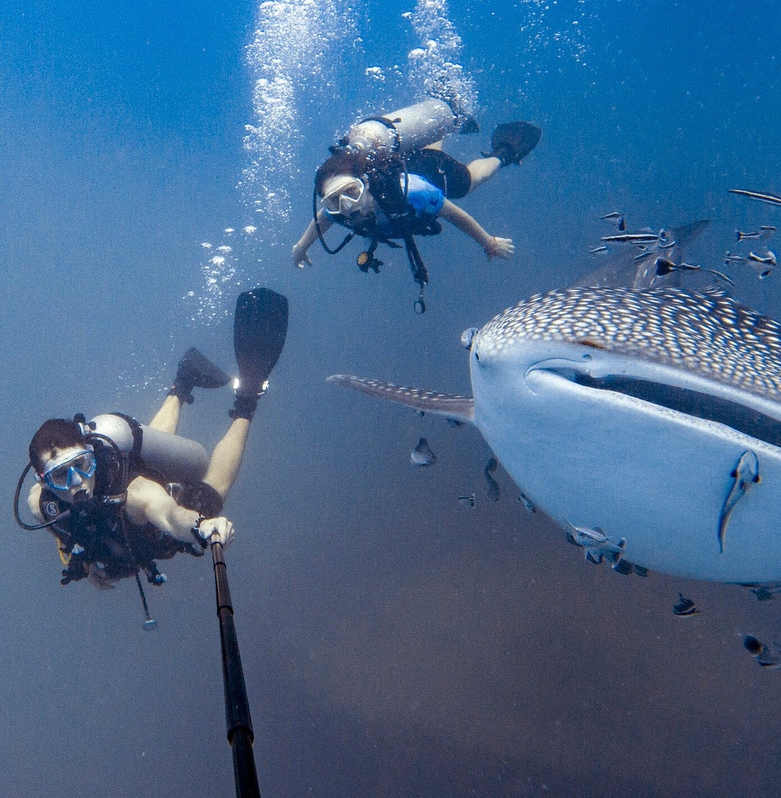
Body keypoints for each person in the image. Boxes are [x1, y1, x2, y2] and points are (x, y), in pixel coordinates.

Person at [18, 288, 289, 591]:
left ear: (91, 456)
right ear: (44, 482)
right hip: (134, 482)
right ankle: (184, 381)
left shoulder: (133, 493)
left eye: (81, 465)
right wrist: (83, 559)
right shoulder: (40, 506)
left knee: (210, 496)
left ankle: (246, 401)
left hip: (141, 480)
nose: (76, 482)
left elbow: (168, 515)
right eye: (59, 475)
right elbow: (64, 533)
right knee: (155, 446)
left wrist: (202, 527)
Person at [290, 120, 541, 271]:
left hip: (429, 172)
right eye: (334, 200)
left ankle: (503, 154)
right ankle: (439, 121)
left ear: (365, 183)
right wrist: (301, 246)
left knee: (470, 182)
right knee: (426, 148)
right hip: (406, 162)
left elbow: (452, 214)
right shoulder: (339, 210)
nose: (346, 205)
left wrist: (489, 243)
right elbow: (323, 218)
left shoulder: (414, 192)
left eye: (352, 192)